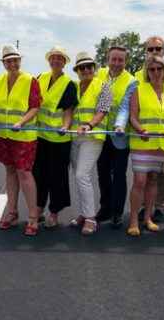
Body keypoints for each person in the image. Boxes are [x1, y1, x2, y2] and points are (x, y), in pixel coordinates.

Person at [0, 45, 42, 236]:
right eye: (8, 61)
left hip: (23, 136)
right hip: (3, 135)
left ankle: (33, 217)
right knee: (9, 171)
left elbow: (35, 107)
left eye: (15, 60)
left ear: (20, 61)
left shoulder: (30, 80)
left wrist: (21, 122)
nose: (12, 64)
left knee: (24, 174)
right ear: (4, 63)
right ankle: (12, 212)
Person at [127, 55, 164, 237]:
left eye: (159, 69)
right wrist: (140, 129)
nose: (156, 72)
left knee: (153, 181)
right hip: (142, 142)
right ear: (147, 72)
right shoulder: (138, 89)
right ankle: (134, 220)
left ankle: (148, 218)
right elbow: (133, 116)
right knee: (139, 181)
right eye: (152, 69)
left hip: (162, 145)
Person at [134, 36, 164, 220]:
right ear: (146, 51)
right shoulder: (138, 76)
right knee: (143, 176)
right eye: (151, 49)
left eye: (158, 48)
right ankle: (145, 207)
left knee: (163, 174)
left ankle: (159, 206)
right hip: (144, 134)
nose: (154, 52)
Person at [33, 46, 77, 229]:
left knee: (57, 178)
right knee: (38, 175)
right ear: (49, 60)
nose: (56, 61)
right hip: (40, 137)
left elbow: (68, 110)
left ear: (64, 62)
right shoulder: (40, 78)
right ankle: (38, 209)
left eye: (60, 58)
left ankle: (53, 213)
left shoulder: (69, 84)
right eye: (53, 58)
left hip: (59, 140)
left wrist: (65, 126)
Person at [68, 52, 112, 236]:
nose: (86, 70)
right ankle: (84, 213)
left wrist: (89, 124)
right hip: (74, 137)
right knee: (78, 178)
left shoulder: (103, 86)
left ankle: (91, 219)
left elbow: (103, 110)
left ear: (94, 69)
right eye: (82, 67)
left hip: (93, 137)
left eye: (89, 67)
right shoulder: (75, 87)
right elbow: (69, 110)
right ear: (77, 71)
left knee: (81, 175)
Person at [95, 46, 136, 228]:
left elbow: (125, 107)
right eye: (114, 59)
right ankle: (105, 208)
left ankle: (117, 213)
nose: (117, 63)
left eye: (121, 60)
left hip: (119, 135)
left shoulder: (131, 81)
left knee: (119, 176)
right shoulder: (99, 75)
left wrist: (119, 125)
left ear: (125, 61)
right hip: (101, 135)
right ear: (107, 59)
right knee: (102, 174)